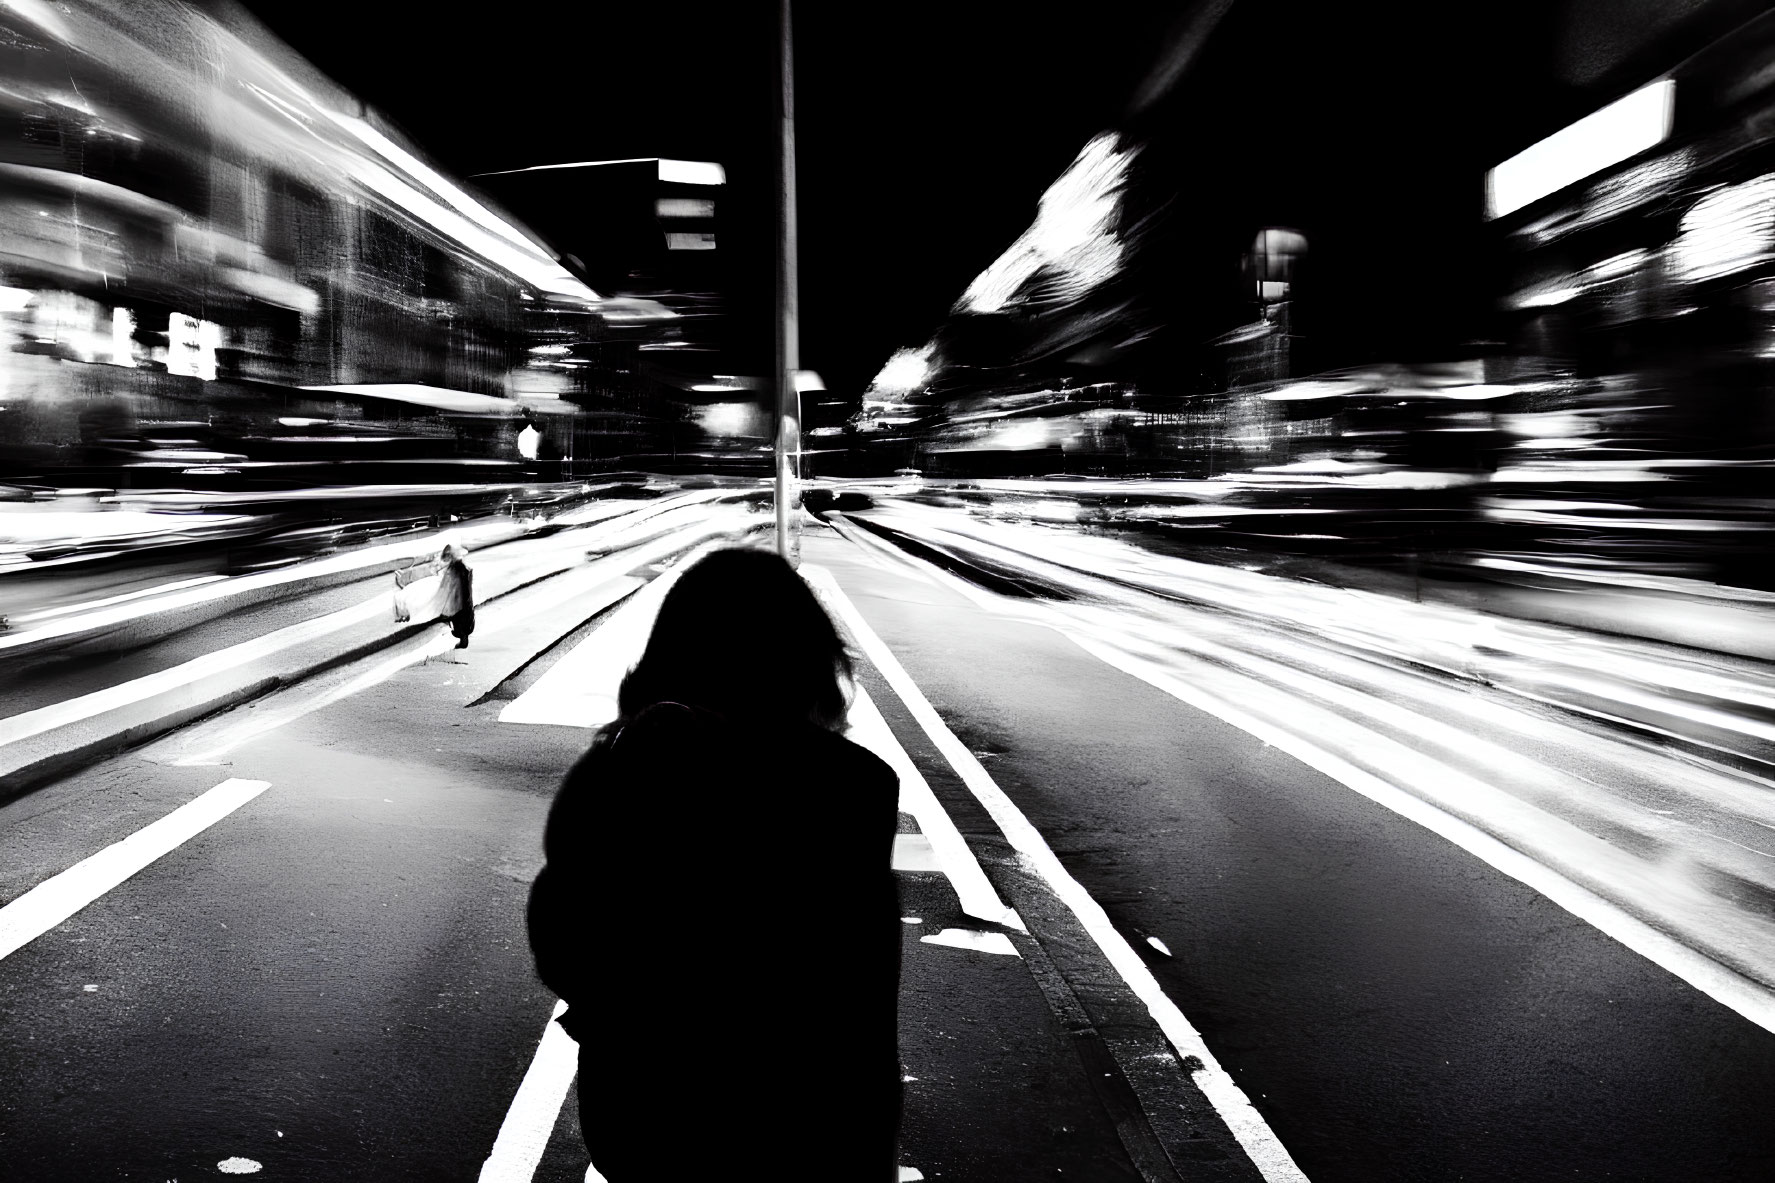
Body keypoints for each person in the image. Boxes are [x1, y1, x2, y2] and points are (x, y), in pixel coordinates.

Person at [527, 547, 902, 1180]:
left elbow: (562, 941)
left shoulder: (615, 773)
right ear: (804, 659)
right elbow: (859, 1015)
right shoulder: (849, 788)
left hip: (648, 1125)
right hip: (804, 1136)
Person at [432, 543, 474, 648]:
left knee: (459, 619)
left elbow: (452, 584)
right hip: (463, 601)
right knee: (461, 619)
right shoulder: (462, 568)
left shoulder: (458, 569)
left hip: (460, 601)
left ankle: (463, 639)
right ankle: (463, 638)